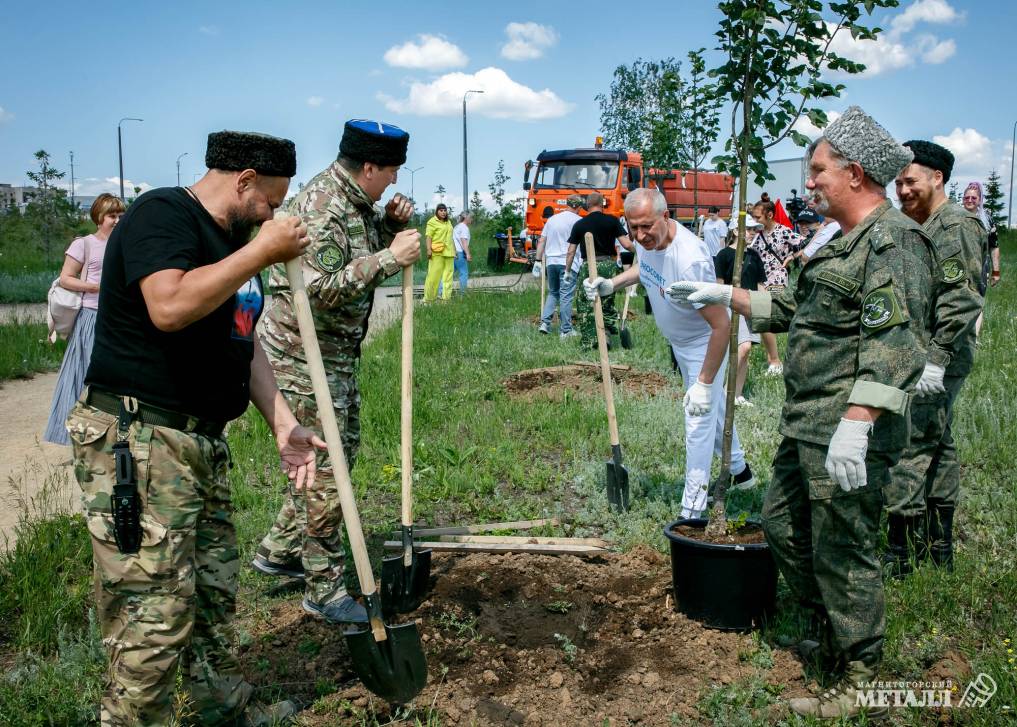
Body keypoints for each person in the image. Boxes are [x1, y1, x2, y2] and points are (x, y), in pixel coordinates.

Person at [669, 107, 937, 719]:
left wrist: (858, 422)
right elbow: (791, 307)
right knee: (786, 529)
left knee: (845, 547)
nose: (808, 181)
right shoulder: (838, 242)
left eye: (818, 170)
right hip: (806, 424)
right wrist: (725, 295)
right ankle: (826, 633)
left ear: (856, 174)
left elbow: (895, 345)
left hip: (846, 428)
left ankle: (861, 673)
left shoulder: (893, 244)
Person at [67, 131, 319, 726]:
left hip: (198, 444)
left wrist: (283, 423)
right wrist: (262, 252)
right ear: (244, 179)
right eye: (270, 202)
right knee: (151, 613)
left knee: (211, 593)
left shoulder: (229, 242)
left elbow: (243, 336)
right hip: (141, 440)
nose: (273, 216)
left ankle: (218, 705)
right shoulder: (163, 214)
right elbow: (170, 306)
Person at [257, 120, 420, 624]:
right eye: (389, 172)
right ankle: (324, 589)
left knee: (341, 454)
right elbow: (321, 287)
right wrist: (392, 258)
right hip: (301, 354)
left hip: (333, 354)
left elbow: (359, 252)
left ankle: (280, 550)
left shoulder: (354, 204)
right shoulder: (324, 206)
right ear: (368, 166)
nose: (393, 181)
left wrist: (388, 228)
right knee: (328, 473)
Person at [584, 188, 754, 519]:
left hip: (705, 342)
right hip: (680, 341)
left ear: (666, 217)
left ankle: (692, 510)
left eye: (647, 226)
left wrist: (705, 382)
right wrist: (612, 284)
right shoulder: (647, 243)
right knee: (714, 410)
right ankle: (741, 472)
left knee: (698, 418)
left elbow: (721, 327)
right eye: (633, 227)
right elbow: (644, 269)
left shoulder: (689, 259)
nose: (640, 235)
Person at [882, 141, 985, 576]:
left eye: (911, 181)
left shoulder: (955, 226)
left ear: (936, 178)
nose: (902, 190)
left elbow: (963, 299)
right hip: (926, 353)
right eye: (898, 182)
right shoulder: (919, 223)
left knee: (909, 442)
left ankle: (898, 552)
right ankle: (938, 547)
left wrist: (937, 360)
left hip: (939, 357)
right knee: (938, 441)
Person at [43, 193, 125, 445]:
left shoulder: (123, 243)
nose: (117, 220)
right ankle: (69, 434)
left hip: (117, 317)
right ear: (99, 218)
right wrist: (95, 287)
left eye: (121, 215)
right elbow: (66, 277)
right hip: (91, 317)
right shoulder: (84, 244)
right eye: (112, 216)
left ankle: (111, 434)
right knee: (82, 374)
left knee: (116, 376)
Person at [564, 192, 634, 348]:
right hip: (608, 265)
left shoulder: (580, 224)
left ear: (587, 205)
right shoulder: (612, 221)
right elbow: (627, 244)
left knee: (586, 302)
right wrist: (639, 253)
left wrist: (567, 271)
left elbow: (571, 251)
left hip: (588, 266)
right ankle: (606, 336)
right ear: (602, 204)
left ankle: (590, 339)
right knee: (607, 300)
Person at [714, 217, 765, 407]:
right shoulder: (724, 255)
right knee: (743, 348)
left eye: (754, 229)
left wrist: (765, 307)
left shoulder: (754, 255)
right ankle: (727, 392)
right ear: (736, 231)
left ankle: (737, 394)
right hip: (732, 306)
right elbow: (719, 285)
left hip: (753, 306)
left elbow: (760, 285)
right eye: (749, 229)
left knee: (746, 352)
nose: (752, 233)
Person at [750, 199, 805, 375]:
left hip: (777, 280)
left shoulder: (783, 232)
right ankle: (773, 359)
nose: (755, 220)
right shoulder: (757, 235)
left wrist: (793, 257)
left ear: (770, 215)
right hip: (760, 281)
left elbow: (807, 243)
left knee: (764, 315)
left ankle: (775, 360)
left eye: (758, 217)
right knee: (761, 317)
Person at [533, 195, 583, 337]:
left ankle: (545, 323)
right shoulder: (579, 221)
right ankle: (566, 330)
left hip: (551, 262)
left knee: (553, 292)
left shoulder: (552, 220)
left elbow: (542, 240)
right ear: (578, 207)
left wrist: (537, 260)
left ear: (567, 204)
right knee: (566, 296)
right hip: (568, 263)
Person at [962, 181, 1000, 338]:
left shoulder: (988, 220)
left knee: (977, 303)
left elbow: (994, 247)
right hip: (959, 266)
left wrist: (996, 271)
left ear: (980, 200)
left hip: (980, 267)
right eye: (967, 198)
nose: (970, 200)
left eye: (973, 198)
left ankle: (974, 339)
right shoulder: (955, 216)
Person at [424, 202, 455, 301]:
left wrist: (454, 251)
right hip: (437, 252)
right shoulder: (432, 222)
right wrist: (428, 250)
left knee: (448, 277)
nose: (443, 212)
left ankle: (446, 299)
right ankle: (429, 299)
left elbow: (451, 237)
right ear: (437, 211)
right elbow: (429, 237)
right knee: (433, 276)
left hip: (449, 253)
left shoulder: (448, 222)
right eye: (441, 210)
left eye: (445, 210)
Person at [453, 211, 473, 292]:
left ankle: (440, 292)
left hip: (453, 252)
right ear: (466, 218)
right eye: (471, 217)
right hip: (460, 253)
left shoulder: (457, 226)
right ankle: (462, 294)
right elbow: (463, 241)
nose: (472, 219)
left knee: (448, 274)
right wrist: (467, 254)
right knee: (463, 273)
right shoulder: (464, 227)